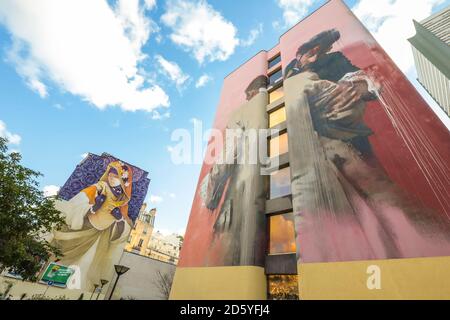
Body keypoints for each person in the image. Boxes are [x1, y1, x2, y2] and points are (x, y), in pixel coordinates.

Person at [285, 29, 450, 263]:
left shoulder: (334, 60)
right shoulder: (289, 75)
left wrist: (359, 88)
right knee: (337, 217)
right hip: (306, 150)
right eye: (312, 52)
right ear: (301, 54)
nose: (316, 56)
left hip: (348, 141)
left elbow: (366, 83)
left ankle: (428, 251)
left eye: (321, 50)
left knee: (380, 196)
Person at [199, 75, 268, 266]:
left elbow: (229, 157)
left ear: (252, 92)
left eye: (247, 95)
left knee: (226, 258)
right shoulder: (278, 100)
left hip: (242, 194)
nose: (247, 99)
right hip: (275, 195)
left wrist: (210, 195)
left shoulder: (243, 111)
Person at [50, 161, 133, 290]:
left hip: (100, 238)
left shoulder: (123, 201)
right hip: (82, 229)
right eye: (110, 174)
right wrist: (93, 208)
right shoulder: (100, 186)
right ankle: (54, 284)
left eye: (115, 176)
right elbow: (76, 202)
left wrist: (120, 220)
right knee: (64, 262)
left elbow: (123, 234)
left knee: (85, 266)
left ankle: (73, 292)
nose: (111, 177)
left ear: (123, 180)